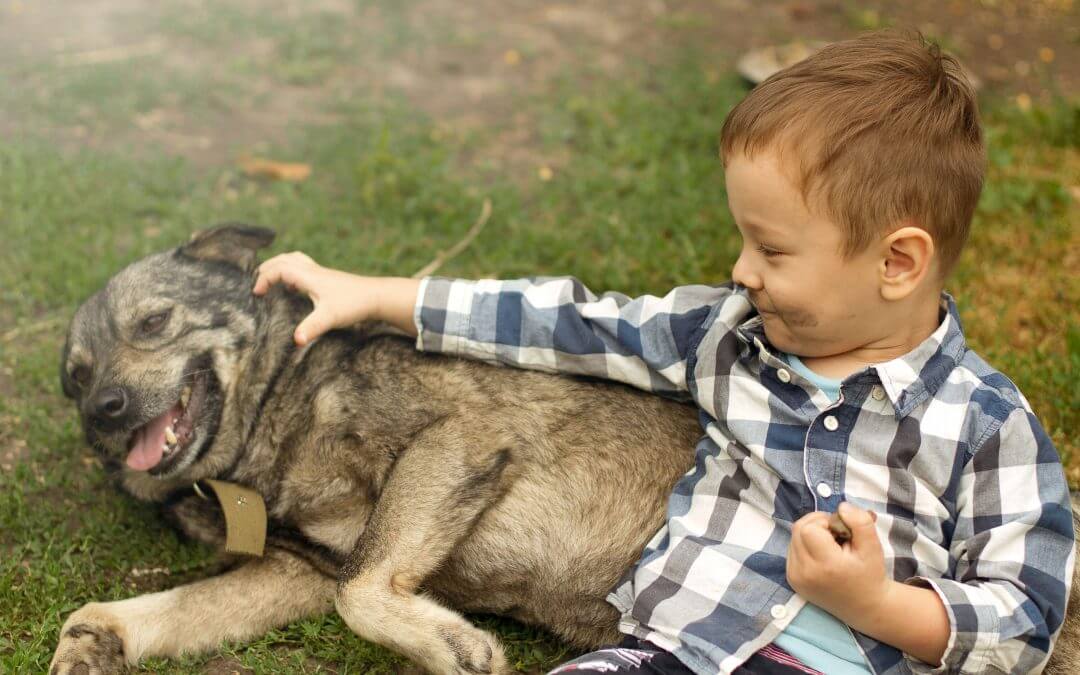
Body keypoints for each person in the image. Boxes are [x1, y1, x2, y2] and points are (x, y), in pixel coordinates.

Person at [252, 30, 1074, 675]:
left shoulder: (987, 425)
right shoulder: (723, 336)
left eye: (773, 250)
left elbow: (1024, 620)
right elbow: (560, 322)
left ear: (897, 262)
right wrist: (380, 293)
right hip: (672, 653)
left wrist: (879, 602)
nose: (740, 269)